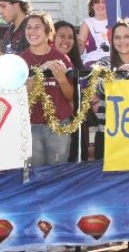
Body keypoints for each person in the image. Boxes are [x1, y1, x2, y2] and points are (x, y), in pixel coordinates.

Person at [21, 13, 74, 167]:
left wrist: (61, 78)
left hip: (59, 125)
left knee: (56, 173)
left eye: (37, 27)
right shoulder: (21, 60)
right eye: (29, 27)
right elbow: (20, 94)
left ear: (48, 32)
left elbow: (71, 95)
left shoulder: (61, 58)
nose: (32, 31)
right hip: (30, 126)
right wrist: (40, 73)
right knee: (34, 175)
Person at [92, 19, 129, 160]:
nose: (122, 41)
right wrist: (117, 73)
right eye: (117, 37)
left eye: (127, 36)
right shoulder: (103, 64)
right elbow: (100, 89)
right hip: (108, 135)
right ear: (112, 41)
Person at [54, 21, 90, 162]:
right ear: (52, 37)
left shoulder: (78, 65)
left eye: (70, 37)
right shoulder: (45, 63)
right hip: (54, 125)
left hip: (77, 124)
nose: (66, 40)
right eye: (61, 36)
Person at [78, 0, 112, 68]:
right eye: (96, 2)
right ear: (92, 6)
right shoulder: (87, 23)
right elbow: (80, 48)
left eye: (103, 2)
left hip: (114, 61)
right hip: (93, 62)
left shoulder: (117, 21)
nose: (100, 5)